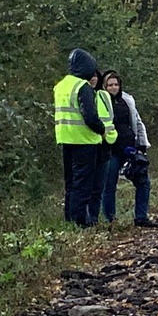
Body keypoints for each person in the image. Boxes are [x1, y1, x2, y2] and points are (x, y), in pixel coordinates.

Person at [52, 49, 110, 227]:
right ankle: (80, 222)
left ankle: (69, 219)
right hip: (84, 141)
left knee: (70, 183)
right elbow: (90, 116)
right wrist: (102, 129)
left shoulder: (60, 85)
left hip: (65, 138)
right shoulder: (81, 87)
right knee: (83, 184)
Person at [98, 71, 156, 227]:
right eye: (110, 85)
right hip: (111, 151)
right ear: (104, 86)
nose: (113, 87)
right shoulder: (100, 102)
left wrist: (142, 144)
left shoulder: (127, 100)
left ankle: (141, 217)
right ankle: (111, 220)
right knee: (109, 186)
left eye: (116, 84)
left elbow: (137, 121)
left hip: (130, 149)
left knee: (143, 182)